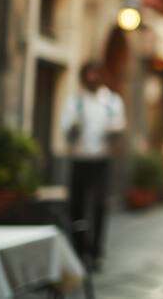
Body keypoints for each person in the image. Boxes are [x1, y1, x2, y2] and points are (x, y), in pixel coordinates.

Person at [60, 62, 126, 269]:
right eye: (88, 74)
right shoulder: (75, 101)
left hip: (101, 161)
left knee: (98, 206)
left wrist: (114, 134)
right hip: (79, 160)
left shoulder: (112, 102)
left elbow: (120, 126)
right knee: (77, 207)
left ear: (101, 76)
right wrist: (73, 129)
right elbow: (65, 129)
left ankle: (96, 252)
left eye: (95, 74)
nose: (91, 78)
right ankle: (79, 250)